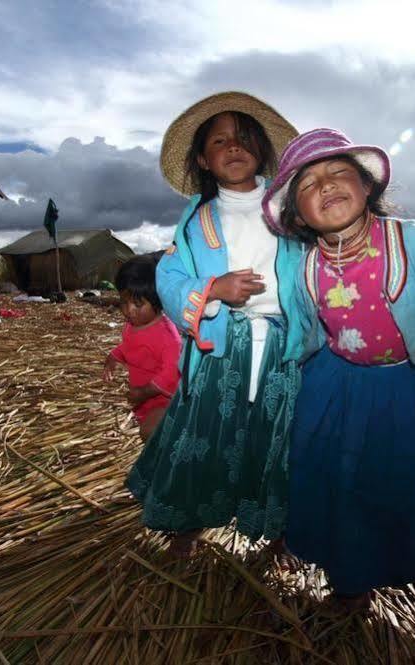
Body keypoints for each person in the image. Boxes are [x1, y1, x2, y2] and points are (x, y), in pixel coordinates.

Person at [260, 128, 415, 612]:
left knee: (388, 476)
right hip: (332, 384)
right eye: (308, 186)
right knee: (332, 474)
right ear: (296, 215)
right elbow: (306, 323)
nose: (325, 187)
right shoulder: (306, 266)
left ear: (368, 187)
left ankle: (381, 561)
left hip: (399, 389)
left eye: (338, 174)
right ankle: (349, 577)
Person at [125, 92, 308, 558]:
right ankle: (187, 522)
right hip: (221, 345)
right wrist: (212, 289)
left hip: (282, 347)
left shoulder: (289, 209)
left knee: (277, 436)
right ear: (204, 160)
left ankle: (280, 534)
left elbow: (315, 264)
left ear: (262, 152)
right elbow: (170, 275)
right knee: (203, 436)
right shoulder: (195, 220)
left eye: (244, 139)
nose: (233, 147)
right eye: (220, 141)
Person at [104, 255, 182, 441]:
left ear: (158, 301)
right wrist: (113, 357)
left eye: (138, 304)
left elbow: (171, 373)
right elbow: (130, 347)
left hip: (166, 400)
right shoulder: (132, 326)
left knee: (149, 432)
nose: (128, 310)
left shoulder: (168, 337)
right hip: (142, 400)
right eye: (123, 302)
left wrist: (145, 392)